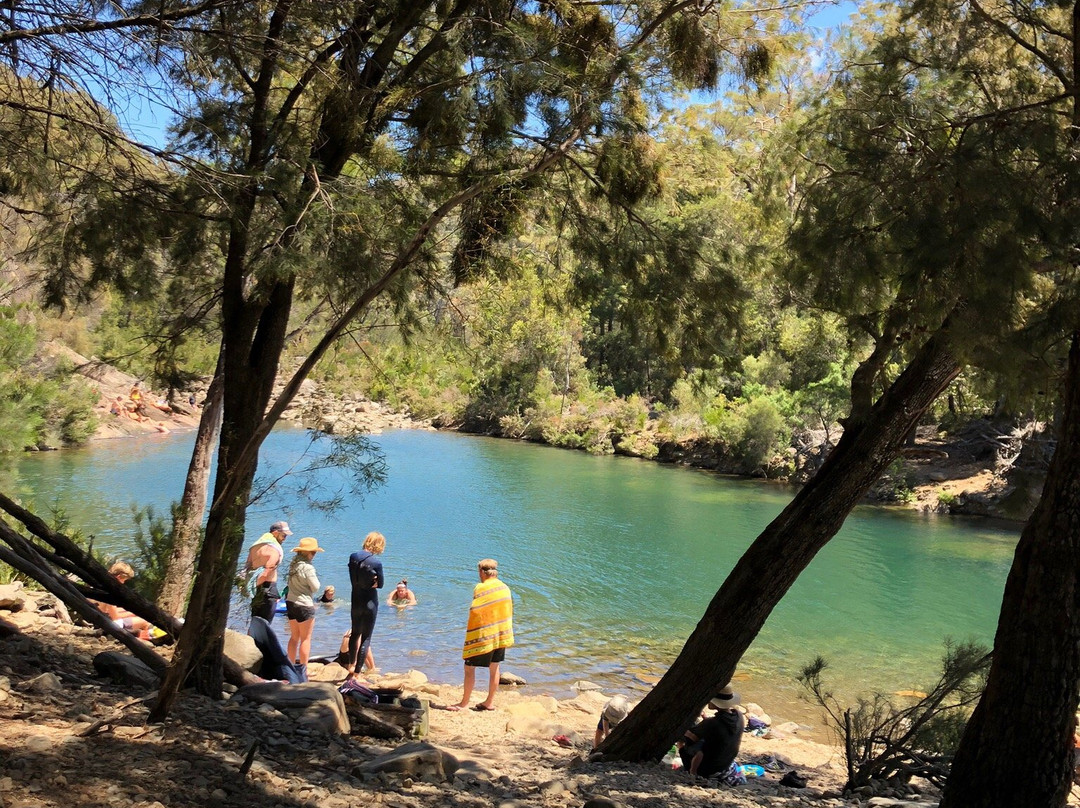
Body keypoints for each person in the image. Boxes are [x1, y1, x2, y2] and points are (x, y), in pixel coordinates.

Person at [448, 558, 514, 712]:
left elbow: (476, 610)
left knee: (469, 668)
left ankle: (464, 703)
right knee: (495, 668)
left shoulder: (480, 587)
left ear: (481, 572)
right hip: (501, 634)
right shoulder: (505, 587)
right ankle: (489, 702)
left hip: (484, 634)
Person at [678, 685, 745, 780]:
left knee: (682, 741)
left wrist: (680, 729)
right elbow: (719, 731)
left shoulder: (712, 723)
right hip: (725, 764)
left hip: (708, 769)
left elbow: (691, 738)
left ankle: (692, 771)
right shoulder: (739, 715)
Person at [345, 531, 385, 679]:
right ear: (378, 545)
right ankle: (357, 673)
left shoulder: (353, 556)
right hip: (369, 601)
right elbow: (380, 584)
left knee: (355, 633)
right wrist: (373, 581)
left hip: (355, 599)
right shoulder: (376, 562)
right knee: (366, 638)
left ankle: (350, 665)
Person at [285, 536, 324, 679]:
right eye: (313, 552)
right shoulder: (308, 567)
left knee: (294, 637)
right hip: (304, 604)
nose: (314, 555)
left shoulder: (293, 564)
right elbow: (316, 587)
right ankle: (304, 670)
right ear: (307, 552)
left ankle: (289, 666)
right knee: (306, 639)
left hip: (291, 601)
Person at [242, 520, 292, 623]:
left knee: (254, 623)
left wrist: (250, 587)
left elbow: (247, 567)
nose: (284, 539)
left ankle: (251, 639)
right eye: (284, 535)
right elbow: (267, 571)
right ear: (275, 532)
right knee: (265, 625)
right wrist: (253, 586)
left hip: (256, 589)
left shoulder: (255, 546)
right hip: (268, 590)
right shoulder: (274, 549)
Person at [93, 562, 152, 639]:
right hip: (107, 623)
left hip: (98, 617)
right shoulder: (111, 591)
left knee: (129, 611)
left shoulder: (101, 583)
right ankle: (150, 636)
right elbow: (116, 618)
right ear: (119, 577)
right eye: (124, 580)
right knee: (144, 621)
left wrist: (129, 611)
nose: (124, 582)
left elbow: (109, 609)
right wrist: (132, 613)